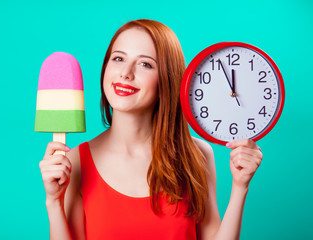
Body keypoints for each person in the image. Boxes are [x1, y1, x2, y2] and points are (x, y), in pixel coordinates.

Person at [39, 19, 263, 240]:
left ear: (166, 80)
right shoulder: (76, 162)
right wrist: (54, 203)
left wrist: (240, 186)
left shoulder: (197, 155)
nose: (125, 73)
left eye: (145, 64)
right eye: (118, 59)